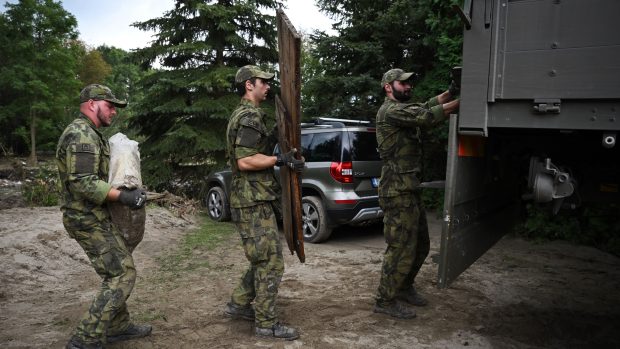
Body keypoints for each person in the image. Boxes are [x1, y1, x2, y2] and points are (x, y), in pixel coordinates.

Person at [56, 84, 150, 349]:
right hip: (85, 218)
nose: (114, 112)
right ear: (91, 104)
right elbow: (82, 182)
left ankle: (119, 326)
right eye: (109, 106)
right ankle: (85, 338)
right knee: (122, 273)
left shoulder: (90, 133)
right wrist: (123, 197)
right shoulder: (81, 134)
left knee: (117, 267)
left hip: (94, 214)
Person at [223, 65, 304, 340]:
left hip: (253, 198)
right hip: (251, 200)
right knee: (271, 262)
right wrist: (281, 159)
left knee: (261, 258)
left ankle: (238, 304)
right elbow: (244, 161)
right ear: (249, 85)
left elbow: (253, 151)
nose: (268, 86)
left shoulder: (249, 114)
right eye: (264, 82)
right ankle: (266, 323)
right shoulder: (248, 116)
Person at [373, 68, 460, 319]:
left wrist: (450, 93)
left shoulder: (402, 108)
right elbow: (427, 115)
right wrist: (465, 101)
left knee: (421, 245)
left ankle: (403, 287)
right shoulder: (390, 110)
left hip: (409, 189)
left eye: (410, 83)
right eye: (403, 83)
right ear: (389, 87)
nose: (409, 87)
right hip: (396, 191)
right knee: (400, 247)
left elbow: (425, 105)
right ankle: (384, 300)